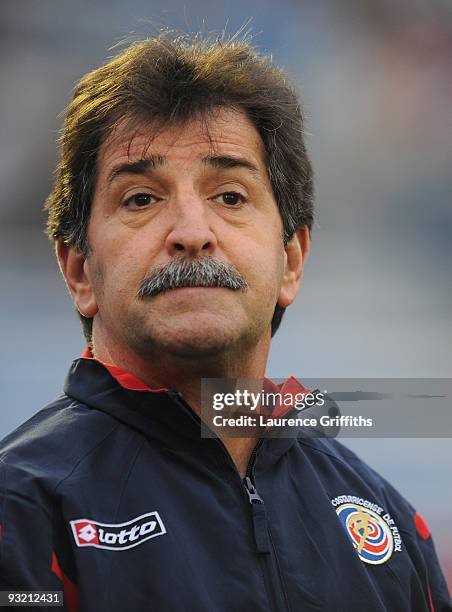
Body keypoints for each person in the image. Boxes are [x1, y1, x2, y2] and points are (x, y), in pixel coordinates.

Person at [0, 33, 450, 612]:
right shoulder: (21, 510)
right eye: (140, 199)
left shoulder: (391, 526)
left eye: (231, 196)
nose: (192, 230)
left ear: (291, 262)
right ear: (79, 272)